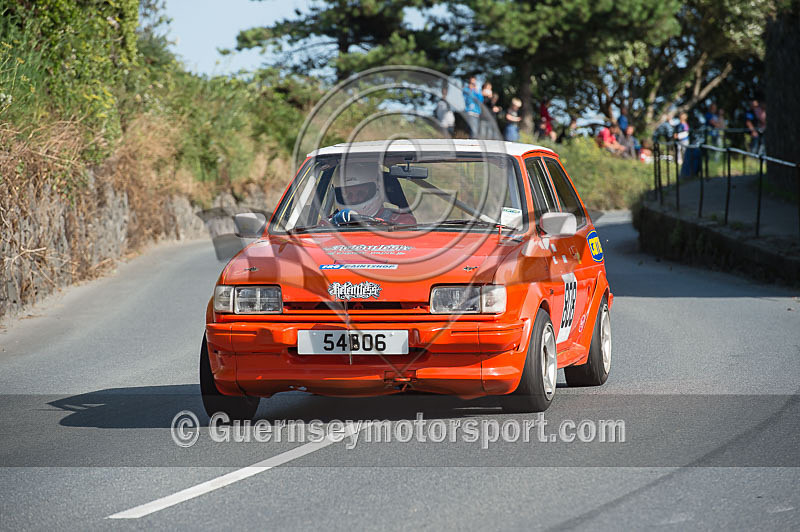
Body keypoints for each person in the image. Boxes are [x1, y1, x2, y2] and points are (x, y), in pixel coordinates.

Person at [330, 161, 416, 225]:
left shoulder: (401, 220)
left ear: (379, 189)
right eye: (347, 195)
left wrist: (378, 225)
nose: (354, 199)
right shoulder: (331, 222)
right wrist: (332, 226)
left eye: (361, 193)